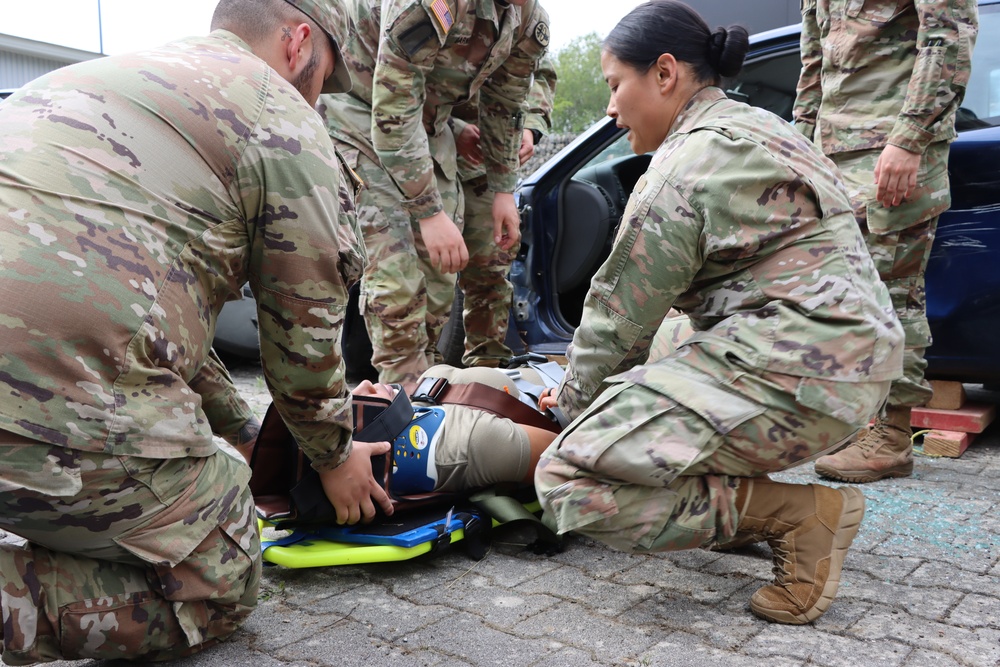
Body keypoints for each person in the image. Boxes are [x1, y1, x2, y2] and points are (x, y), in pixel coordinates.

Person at [0, 0, 395, 662]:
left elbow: (162, 310)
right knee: (222, 569)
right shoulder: (281, 119)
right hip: (39, 398)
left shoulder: (115, 81)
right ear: (300, 44)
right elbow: (303, 332)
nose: (320, 99)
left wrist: (241, 429)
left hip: (44, 370)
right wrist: (333, 456)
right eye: (326, 77)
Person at [533, 0, 904, 625]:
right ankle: (740, 500)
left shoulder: (682, 168)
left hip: (806, 375)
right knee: (671, 341)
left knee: (569, 476)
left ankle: (797, 517)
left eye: (614, 84)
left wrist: (568, 411)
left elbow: (617, 314)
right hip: (855, 368)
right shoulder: (758, 126)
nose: (610, 107)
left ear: (665, 73)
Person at [317, 0, 550, 385]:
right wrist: (428, 211)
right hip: (358, 114)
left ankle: (422, 388)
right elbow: (393, 103)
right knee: (397, 275)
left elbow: (505, 104)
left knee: (439, 278)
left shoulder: (527, 17)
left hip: (428, 121)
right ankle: (402, 405)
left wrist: (503, 189)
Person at [793, 0, 979, 483]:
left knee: (894, 292)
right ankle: (856, 420)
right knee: (841, 294)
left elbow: (947, 36)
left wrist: (909, 138)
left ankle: (892, 436)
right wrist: (798, 149)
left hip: (889, 151)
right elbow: (815, 63)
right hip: (832, 152)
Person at [451, 57, 558, 368]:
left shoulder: (522, 15)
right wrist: (451, 128)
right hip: (424, 156)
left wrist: (531, 127)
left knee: (492, 273)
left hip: (489, 165)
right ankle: (415, 394)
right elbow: (399, 82)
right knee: (423, 282)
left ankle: (487, 375)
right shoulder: (439, 9)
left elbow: (540, 72)